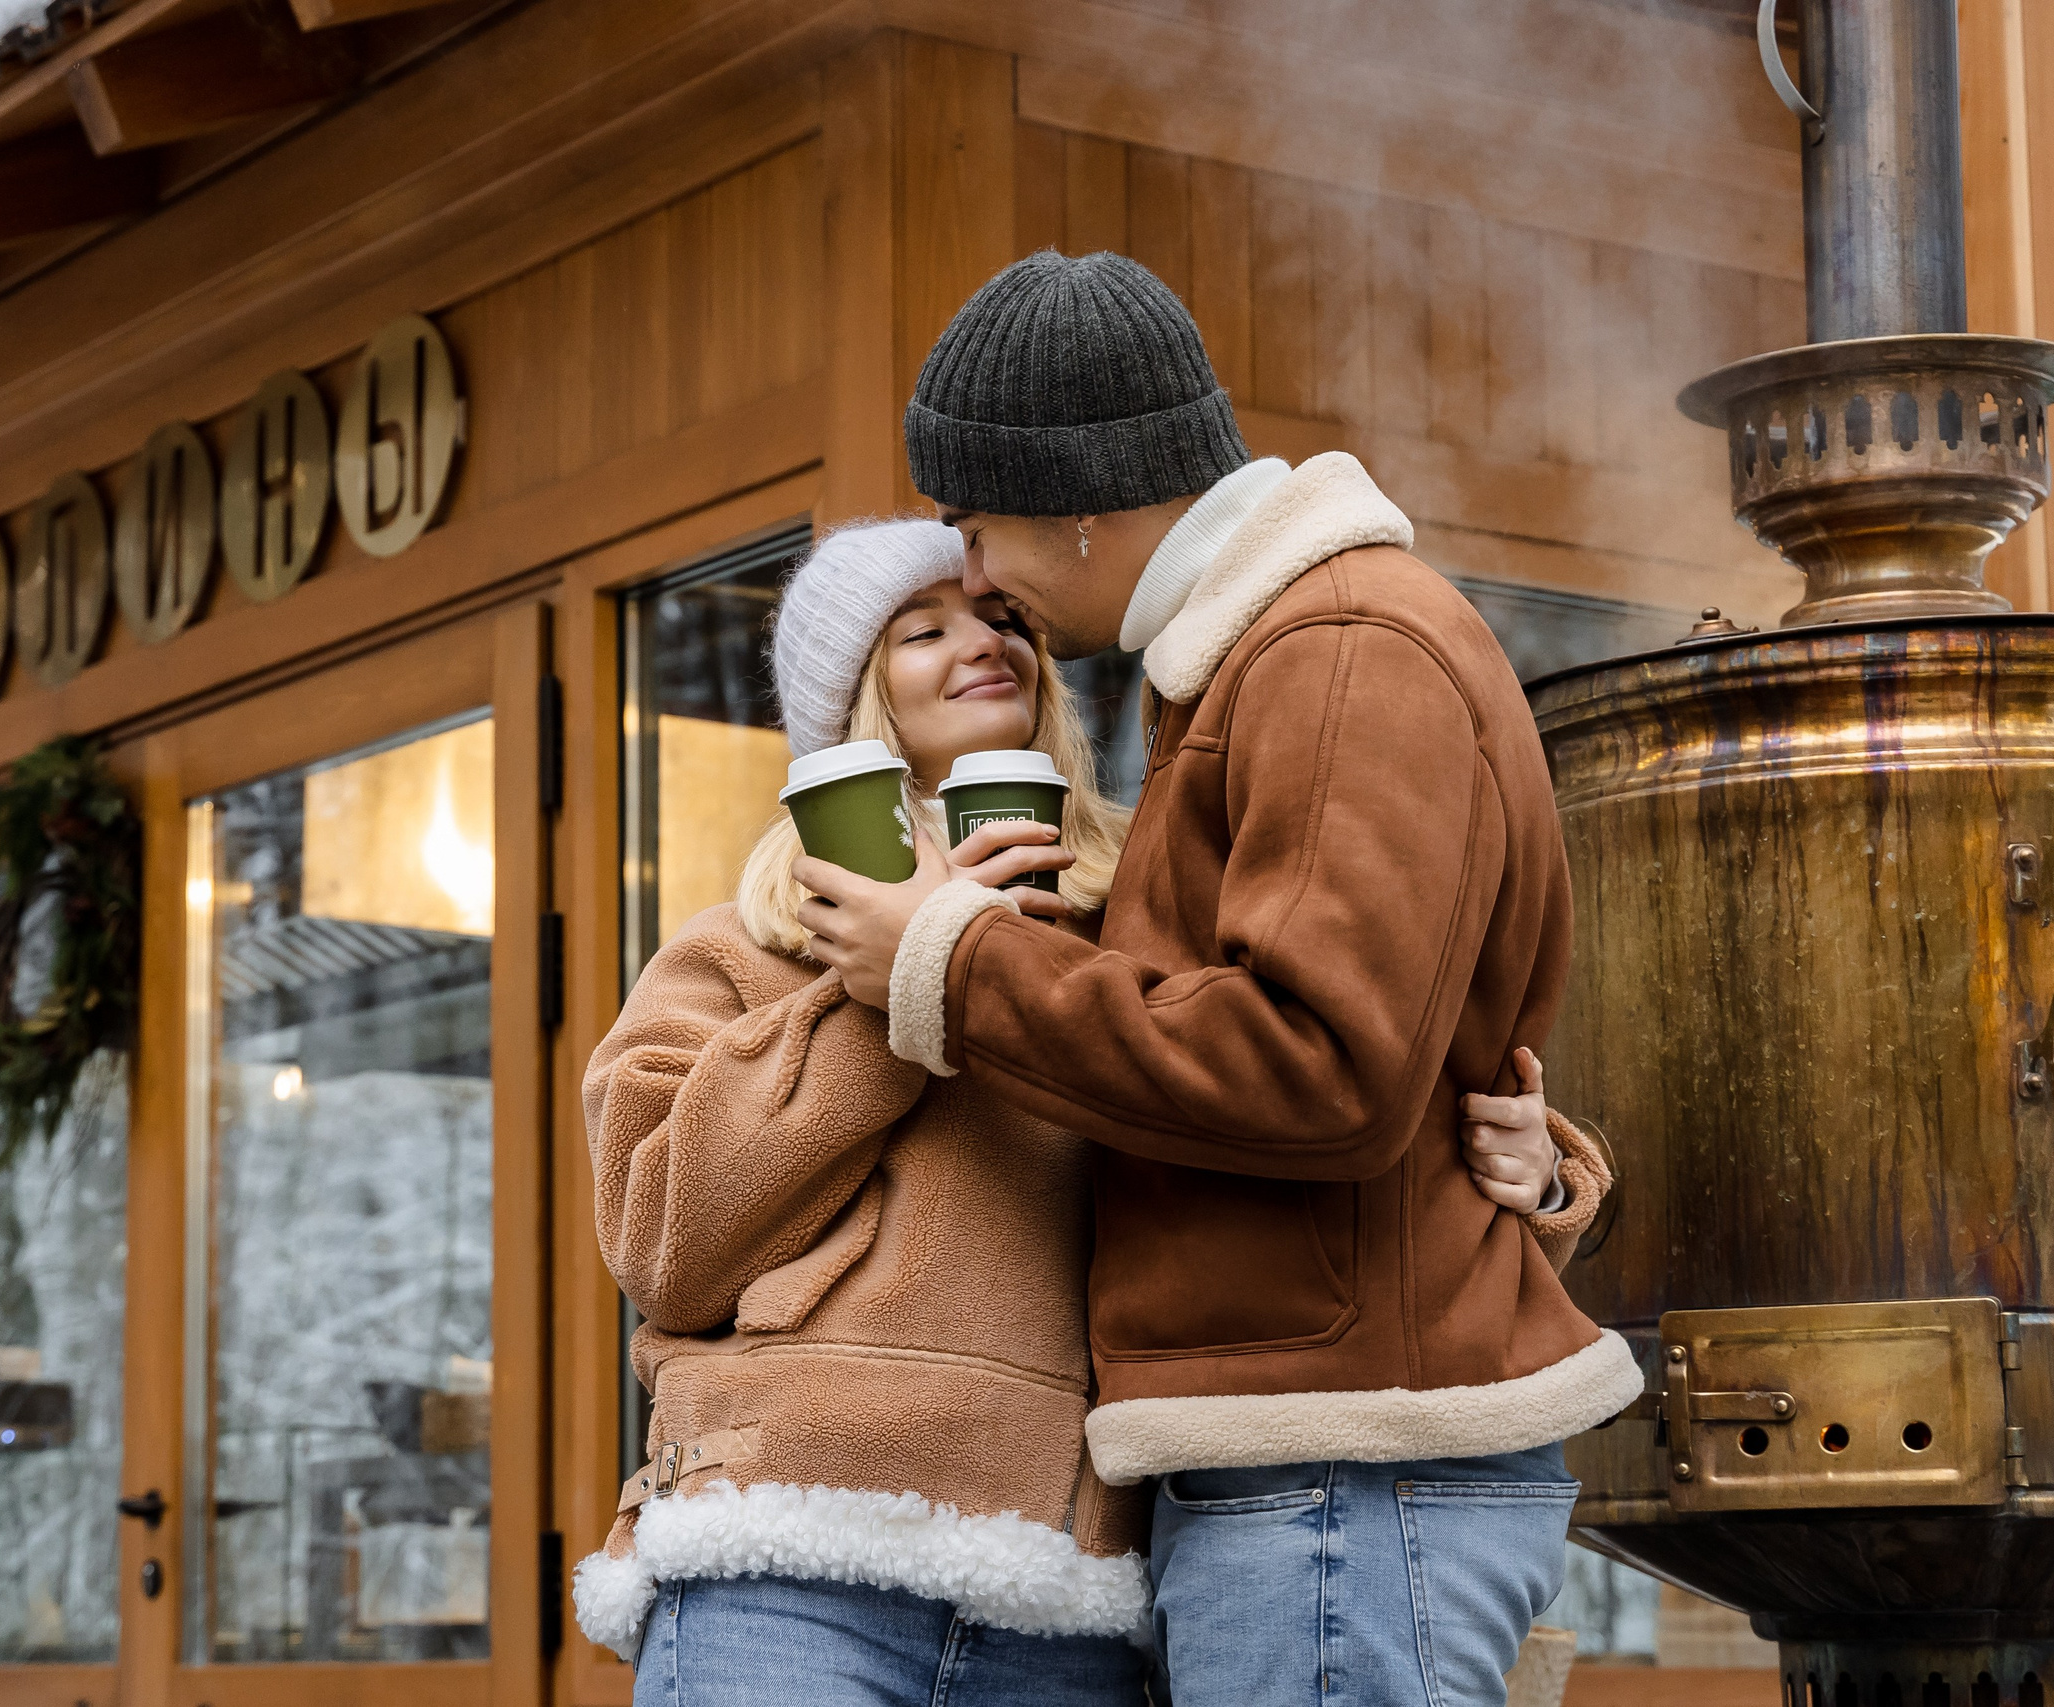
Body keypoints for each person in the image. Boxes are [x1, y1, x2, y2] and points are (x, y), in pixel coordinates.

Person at [792, 251, 1644, 1705]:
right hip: (1321, 1465)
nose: (977, 577)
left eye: (974, 525)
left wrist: (950, 956)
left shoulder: (1339, 650)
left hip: (1340, 1474)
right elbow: (1371, 1043)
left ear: (1073, 499)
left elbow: (1318, 1063)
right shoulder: (1273, 656)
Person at [574, 515, 1608, 1706]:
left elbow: (1306, 1103)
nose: (984, 642)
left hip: (1069, 1594)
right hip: (784, 1558)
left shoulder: (1146, 926)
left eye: (1001, 618)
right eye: (923, 631)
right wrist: (893, 987)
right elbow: (663, 1245)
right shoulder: (739, 951)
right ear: (852, 703)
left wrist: (1532, 1171)